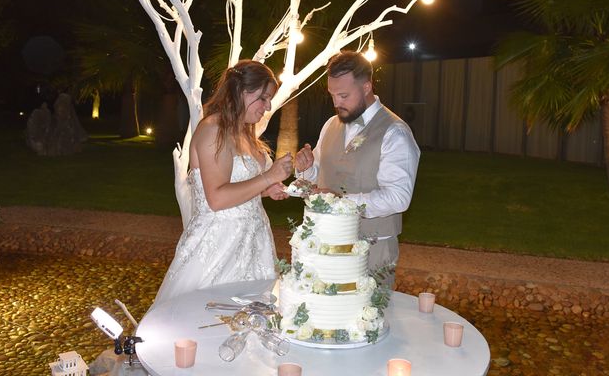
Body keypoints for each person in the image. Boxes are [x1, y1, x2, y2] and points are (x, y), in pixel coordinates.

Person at [153, 60, 293, 304]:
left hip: (254, 241)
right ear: (241, 92)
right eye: (263, 98)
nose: (268, 106)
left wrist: (266, 189)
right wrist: (268, 177)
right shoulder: (213, 130)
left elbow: (238, 188)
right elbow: (216, 198)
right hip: (219, 246)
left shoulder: (244, 132)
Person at [294, 51, 420, 286]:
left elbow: (398, 197)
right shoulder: (330, 124)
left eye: (343, 95)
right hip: (325, 243)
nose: (336, 103)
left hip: (372, 249)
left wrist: (341, 201)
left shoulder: (395, 132)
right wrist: (307, 169)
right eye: (332, 95)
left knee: (367, 318)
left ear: (366, 87)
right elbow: (319, 178)